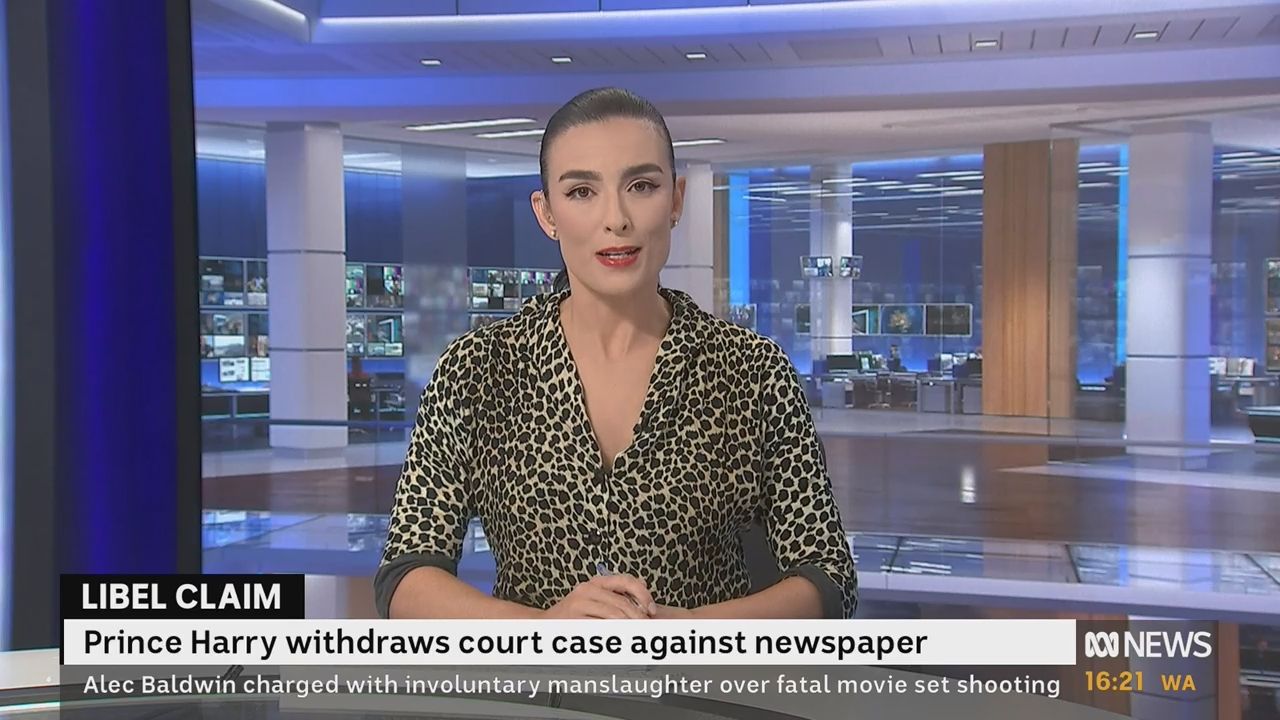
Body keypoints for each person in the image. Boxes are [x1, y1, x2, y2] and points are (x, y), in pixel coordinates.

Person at [376, 87, 856, 620]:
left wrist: (691, 631)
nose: (616, 218)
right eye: (582, 191)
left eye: (641, 186)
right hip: (534, 675)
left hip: (705, 673)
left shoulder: (753, 370)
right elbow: (405, 576)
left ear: (675, 200)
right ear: (547, 213)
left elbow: (828, 577)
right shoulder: (477, 368)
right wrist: (543, 630)